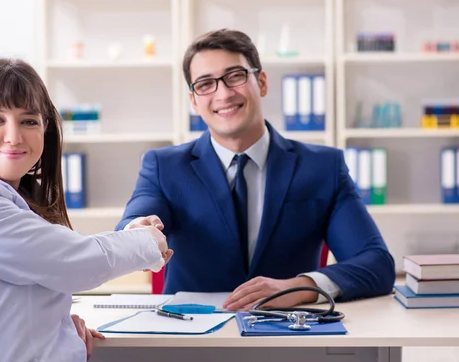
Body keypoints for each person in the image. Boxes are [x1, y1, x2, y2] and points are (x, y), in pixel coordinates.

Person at [116, 28, 395, 310]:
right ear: (194, 101)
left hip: (287, 335)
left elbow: (377, 264)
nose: (223, 93)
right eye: (205, 84)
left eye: (235, 76)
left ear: (261, 82)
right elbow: (137, 216)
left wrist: (299, 287)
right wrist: (135, 230)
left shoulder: (323, 167)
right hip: (194, 339)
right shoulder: (164, 166)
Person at [0, 58, 172, 362]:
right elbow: (75, 263)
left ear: (44, 128)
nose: (14, 137)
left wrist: (58, 323)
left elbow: (45, 261)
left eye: (28, 121)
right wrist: (146, 242)